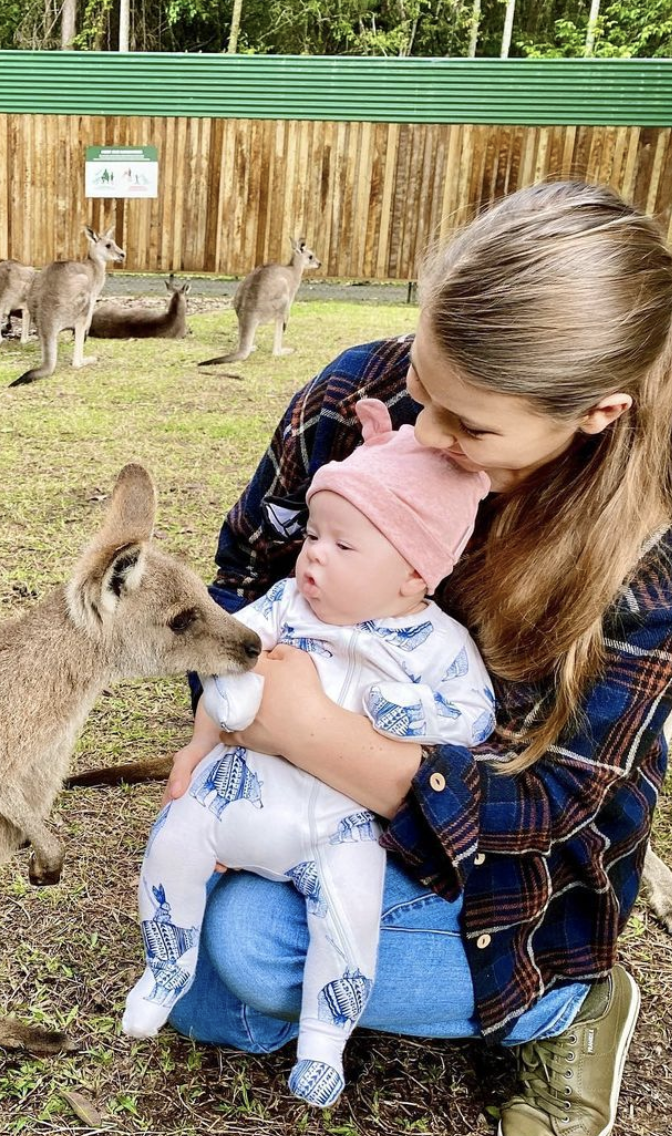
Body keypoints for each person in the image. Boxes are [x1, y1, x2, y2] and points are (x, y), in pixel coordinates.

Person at [164, 181, 672, 1136]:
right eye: (427, 389)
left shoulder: (644, 554)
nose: (423, 432)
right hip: (311, 783)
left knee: (250, 946)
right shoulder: (353, 395)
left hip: (500, 845)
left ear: (597, 414)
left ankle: (571, 1002)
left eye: (470, 427)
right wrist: (233, 711)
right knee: (203, 983)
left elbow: (557, 804)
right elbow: (242, 573)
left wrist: (309, 731)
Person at [122, 398, 496, 1109]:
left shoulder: (436, 644)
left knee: (346, 919)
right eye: (314, 535)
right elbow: (227, 655)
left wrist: (413, 711)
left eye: (344, 545)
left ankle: (325, 1040)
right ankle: (163, 966)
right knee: (175, 840)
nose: (315, 554)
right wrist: (201, 747)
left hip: (343, 822)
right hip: (245, 789)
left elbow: (474, 717)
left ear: (415, 576)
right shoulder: (286, 603)